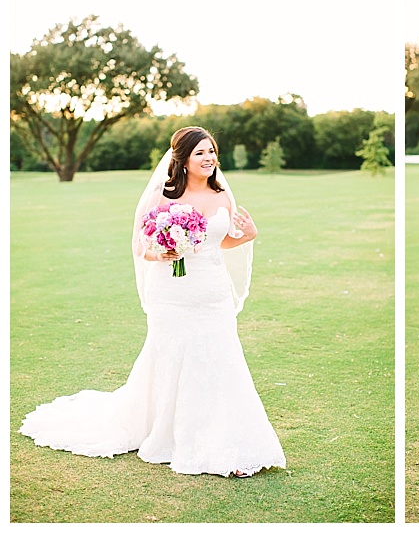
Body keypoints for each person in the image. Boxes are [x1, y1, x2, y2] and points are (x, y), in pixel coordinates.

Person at [19, 126, 286, 478]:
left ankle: (227, 441)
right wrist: (164, 251)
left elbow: (218, 242)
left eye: (212, 152)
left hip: (213, 292)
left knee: (221, 359)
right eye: (200, 153)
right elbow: (144, 248)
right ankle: (169, 433)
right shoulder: (165, 196)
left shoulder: (222, 196)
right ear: (184, 160)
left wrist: (249, 235)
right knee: (173, 358)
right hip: (171, 294)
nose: (209, 159)